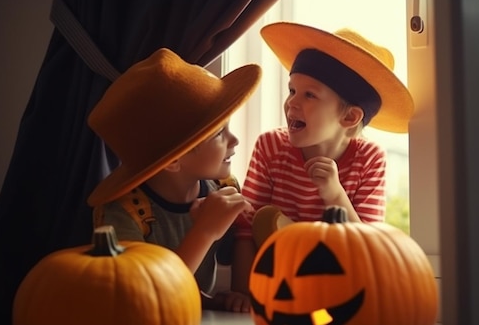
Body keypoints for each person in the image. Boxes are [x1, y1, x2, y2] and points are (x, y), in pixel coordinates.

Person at [232, 21, 414, 294]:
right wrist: (242, 294)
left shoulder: (370, 159)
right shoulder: (270, 146)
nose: (291, 103)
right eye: (292, 90)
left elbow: (368, 248)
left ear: (349, 116)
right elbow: (245, 229)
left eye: (309, 95)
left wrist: (335, 194)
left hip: (338, 290)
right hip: (275, 288)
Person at [86, 47, 261, 313]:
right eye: (218, 134)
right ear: (173, 161)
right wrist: (204, 231)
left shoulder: (222, 188)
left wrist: (214, 300)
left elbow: (199, 279)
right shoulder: (123, 214)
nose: (234, 140)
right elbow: (144, 299)